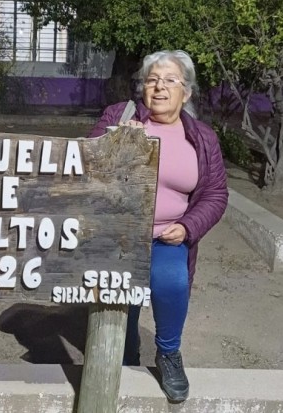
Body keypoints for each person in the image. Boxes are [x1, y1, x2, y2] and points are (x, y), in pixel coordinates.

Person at [87, 49, 229, 402]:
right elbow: (86, 167)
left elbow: (215, 194)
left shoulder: (202, 138)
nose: (160, 87)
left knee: (171, 281)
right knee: (120, 303)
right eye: (152, 80)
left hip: (169, 236)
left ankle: (168, 353)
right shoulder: (119, 117)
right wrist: (117, 142)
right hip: (121, 234)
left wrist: (188, 227)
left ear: (187, 92)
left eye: (170, 80)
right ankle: (124, 351)